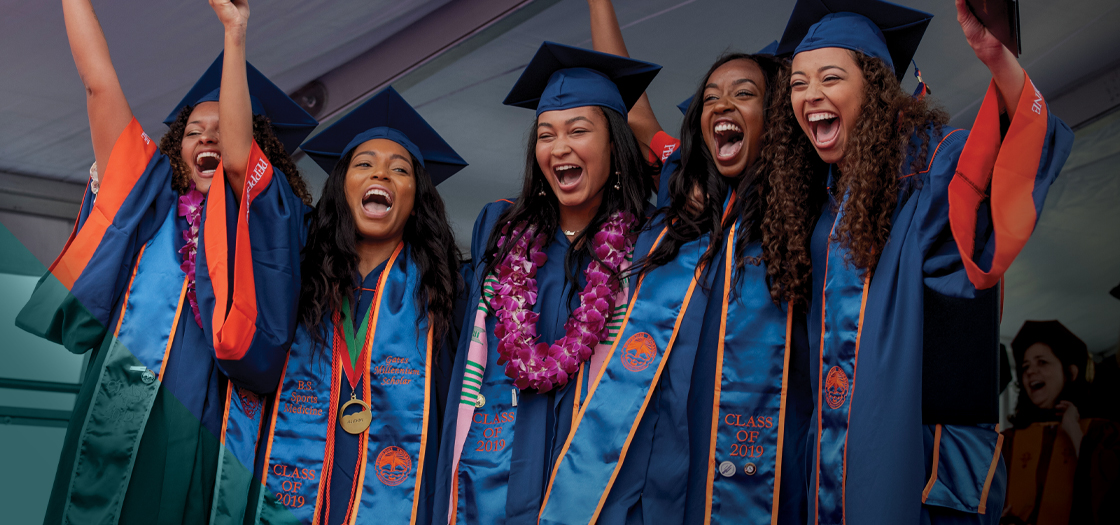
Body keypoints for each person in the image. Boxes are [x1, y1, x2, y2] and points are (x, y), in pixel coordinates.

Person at [764, 0, 1074, 523]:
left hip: (914, 450)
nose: (810, 94)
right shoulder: (811, 200)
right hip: (828, 454)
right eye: (797, 83)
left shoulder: (930, 165)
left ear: (876, 86)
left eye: (830, 77)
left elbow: (1004, 164)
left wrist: (1002, 66)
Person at [15, 1, 315, 523]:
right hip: (124, 409)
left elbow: (242, 164)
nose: (208, 137)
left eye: (222, 128)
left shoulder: (266, 220)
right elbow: (99, 86)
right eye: (195, 130)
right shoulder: (145, 206)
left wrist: (235, 33)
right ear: (177, 150)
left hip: (216, 424)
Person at [200, 5, 468, 524]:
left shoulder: (446, 288)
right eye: (364, 165)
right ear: (342, 187)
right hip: (300, 478)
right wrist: (235, 36)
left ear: (418, 196)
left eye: (400, 170)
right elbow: (239, 162)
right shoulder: (302, 262)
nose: (381, 175)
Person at [585, 1, 814, 523]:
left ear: (778, 117)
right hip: (675, 450)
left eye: (743, 94)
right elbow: (636, 112)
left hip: (769, 453)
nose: (721, 104)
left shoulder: (810, 210)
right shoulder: (686, 196)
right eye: (710, 97)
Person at [433, 42, 659, 524]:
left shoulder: (650, 246)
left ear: (615, 144)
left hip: (601, 491)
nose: (559, 148)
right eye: (546, 134)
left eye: (578, 130)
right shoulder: (500, 233)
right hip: (493, 477)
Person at [1001, 320, 1120, 525]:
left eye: (1042, 362)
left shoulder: (1102, 431)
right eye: (1025, 366)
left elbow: (1111, 492)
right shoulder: (1008, 441)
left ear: (1071, 372)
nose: (1030, 371)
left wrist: (1074, 430)